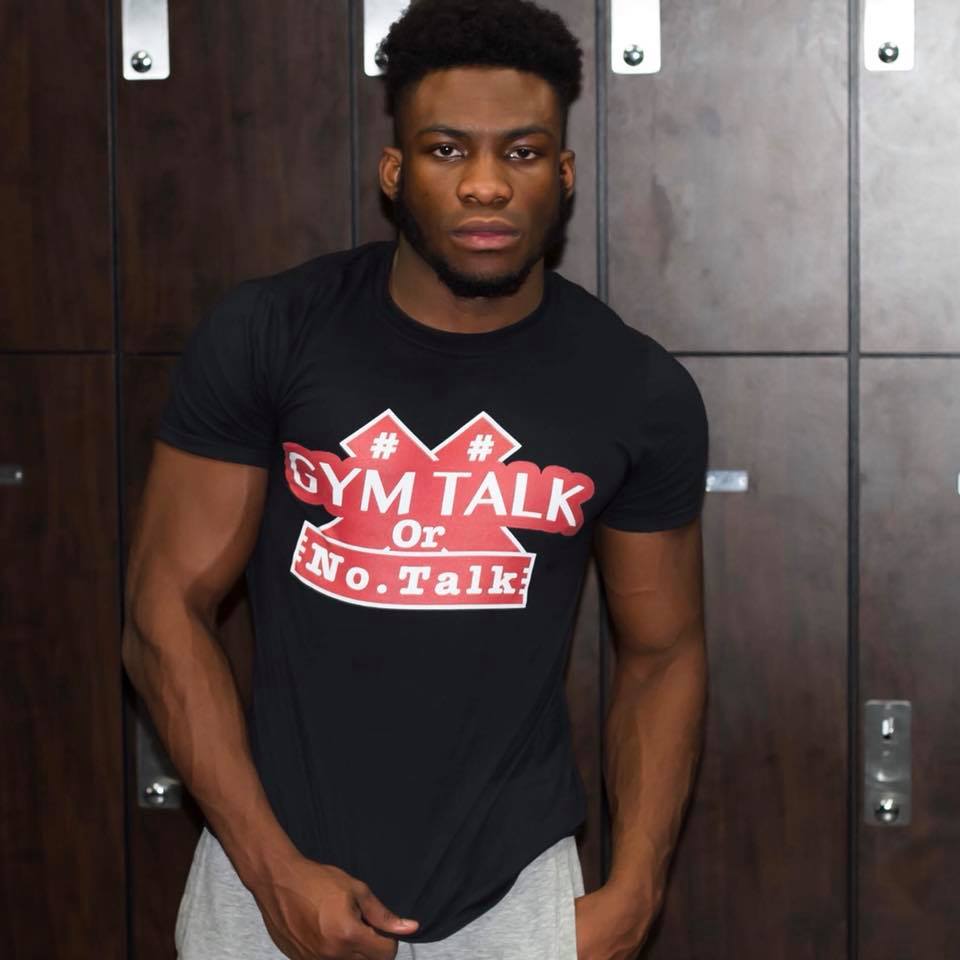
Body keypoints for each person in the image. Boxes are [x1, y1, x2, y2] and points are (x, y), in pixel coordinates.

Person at [121, 0, 710, 957]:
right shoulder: (271, 334)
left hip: (515, 893)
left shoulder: (634, 388)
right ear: (395, 172)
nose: (486, 184)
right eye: (447, 149)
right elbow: (163, 610)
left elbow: (664, 652)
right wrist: (272, 874)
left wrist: (636, 892)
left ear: (563, 175)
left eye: (522, 152)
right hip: (270, 877)